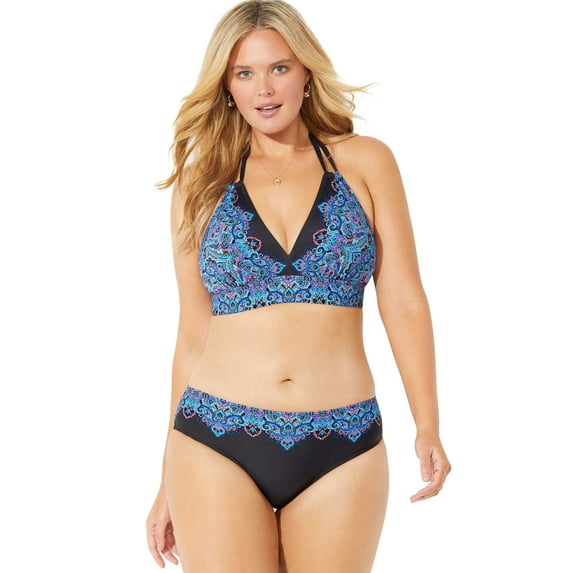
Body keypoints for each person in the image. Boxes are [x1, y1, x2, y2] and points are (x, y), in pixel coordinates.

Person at [146, 1, 451, 571]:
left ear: (306, 71)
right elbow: (192, 333)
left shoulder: (366, 162)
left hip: (343, 441)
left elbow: (404, 301)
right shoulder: (201, 181)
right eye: (244, 73)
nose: (264, 89)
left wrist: (427, 423)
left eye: (279, 68)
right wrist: (166, 477)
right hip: (215, 437)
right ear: (226, 86)